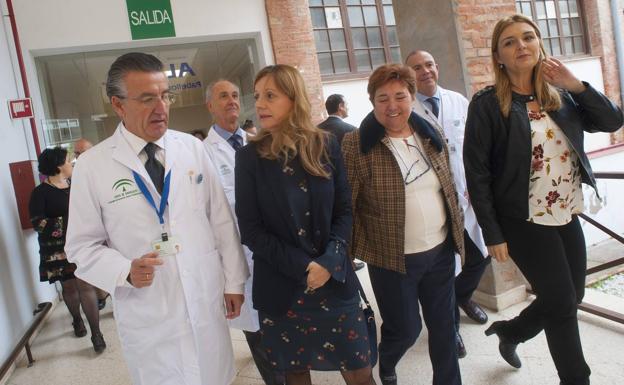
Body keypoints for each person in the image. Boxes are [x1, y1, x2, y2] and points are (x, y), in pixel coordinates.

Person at [65, 52, 249, 385]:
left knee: (216, 376)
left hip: (204, 295)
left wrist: (234, 281)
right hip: (148, 309)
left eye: (165, 96)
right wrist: (124, 271)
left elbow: (221, 220)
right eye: (147, 98)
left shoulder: (191, 149)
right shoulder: (93, 166)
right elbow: (81, 247)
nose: (161, 107)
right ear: (118, 105)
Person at [464, 14, 623, 385]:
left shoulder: (561, 95)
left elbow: (613, 122)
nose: (521, 45)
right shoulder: (488, 105)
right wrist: (492, 232)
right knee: (563, 304)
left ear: (539, 45)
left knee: (572, 293)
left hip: (565, 212)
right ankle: (575, 378)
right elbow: (477, 173)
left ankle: (513, 332)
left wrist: (578, 85)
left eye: (528, 37)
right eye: (510, 41)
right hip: (522, 219)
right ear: (498, 56)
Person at [235, 64, 375, 385]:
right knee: (295, 374)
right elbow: (251, 230)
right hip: (282, 288)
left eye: (270, 95)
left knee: (360, 372)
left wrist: (327, 262)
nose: (259, 104)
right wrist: (305, 267)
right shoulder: (249, 158)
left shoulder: (326, 145)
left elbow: (344, 211)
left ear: (293, 98)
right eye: (257, 96)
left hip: (335, 282)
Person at [342, 63, 465, 385]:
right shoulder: (356, 145)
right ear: (372, 102)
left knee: (444, 329)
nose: (392, 106)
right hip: (392, 260)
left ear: (412, 97)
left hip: (438, 251)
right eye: (383, 98)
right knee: (406, 329)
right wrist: (345, 251)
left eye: (400, 96)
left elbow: (448, 186)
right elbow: (346, 204)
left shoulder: (429, 134)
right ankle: (388, 359)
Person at [405, 50, 491, 358]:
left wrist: (477, 186)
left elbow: (474, 147)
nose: (424, 71)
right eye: (417, 67)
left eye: (429, 64)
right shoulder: (406, 110)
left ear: (437, 67)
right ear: (409, 75)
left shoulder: (458, 101)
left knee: (481, 256)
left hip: (468, 197)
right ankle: (449, 329)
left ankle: (463, 296)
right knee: (444, 272)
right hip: (435, 205)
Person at [203, 79, 284, 385]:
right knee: (258, 333)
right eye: (223, 96)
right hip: (237, 254)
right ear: (210, 105)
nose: (232, 101)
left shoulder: (260, 142)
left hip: (271, 250)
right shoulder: (203, 153)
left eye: (235, 95)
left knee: (280, 327)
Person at [29, 147, 105, 353]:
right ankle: (77, 320)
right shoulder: (40, 193)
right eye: (68, 160)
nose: (71, 162)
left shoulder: (77, 186)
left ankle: (96, 334)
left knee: (86, 286)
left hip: (81, 245)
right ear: (58, 166)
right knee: (70, 288)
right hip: (57, 251)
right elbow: (39, 223)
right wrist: (68, 222)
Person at [318, 94, 365, 272]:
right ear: (340, 106)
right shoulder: (352, 130)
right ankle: (349, 259)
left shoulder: (317, 131)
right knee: (347, 223)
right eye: (346, 104)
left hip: (323, 188)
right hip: (348, 185)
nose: (348, 108)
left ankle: (339, 258)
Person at [72, 138, 111, 311]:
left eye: (84, 152)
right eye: (77, 153)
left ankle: (107, 296)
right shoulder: (74, 174)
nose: (80, 156)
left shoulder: (106, 169)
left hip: (109, 230)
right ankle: (101, 295)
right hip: (87, 231)